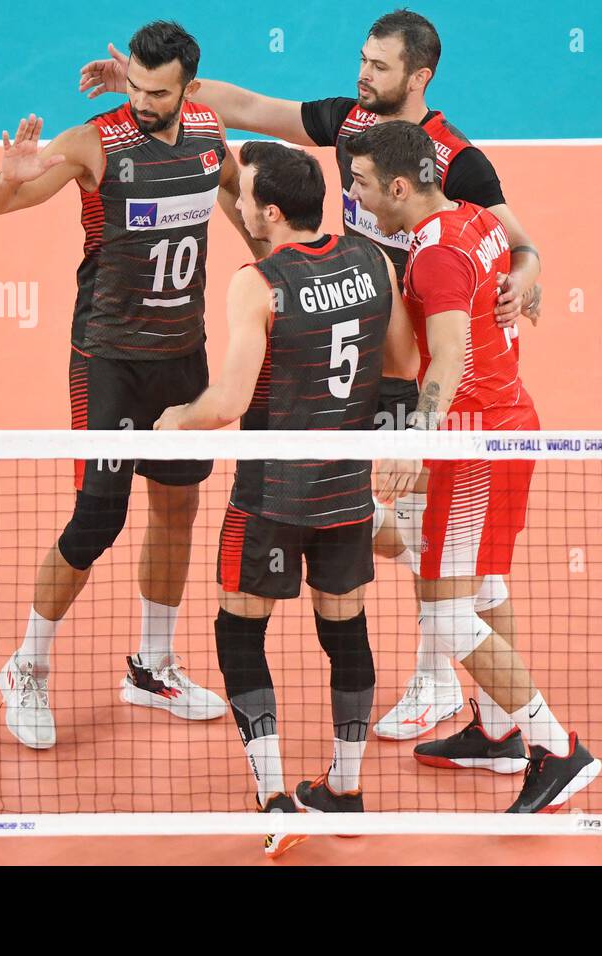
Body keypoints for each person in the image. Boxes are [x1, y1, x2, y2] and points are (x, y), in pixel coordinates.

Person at [80, 10, 542, 739]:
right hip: (367, 340)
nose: (364, 74)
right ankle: (476, 688)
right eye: (363, 59)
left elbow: (514, 242)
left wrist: (532, 270)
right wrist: (153, 92)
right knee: (421, 533)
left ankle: (441, 683)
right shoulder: (351, 121)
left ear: (419, 77)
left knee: (423, 527)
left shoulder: (457, 161)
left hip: (423, 366)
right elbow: (252, 109)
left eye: (380, 67)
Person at [0, 21, 262, 749]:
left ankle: (152, 667)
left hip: (182, 358)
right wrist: (7, 178)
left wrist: (265, 251)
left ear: (188, 89)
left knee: (177, 510)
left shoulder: (206, 132)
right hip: (107, 361)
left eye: (156, 91)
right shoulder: (95, 142)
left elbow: (232, 187)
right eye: (133, 83)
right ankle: (27, 667)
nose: (141, 100)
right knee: (97, 521)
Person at [154, 141, 418, 855]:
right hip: (346, 491)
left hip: (270, 494)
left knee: (240, 631)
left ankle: (274, 796)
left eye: (245, 197)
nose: (237, 204)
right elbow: (402, 369)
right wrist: (381, 445)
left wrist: (174, 420)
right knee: (345, 633)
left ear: (270, 212)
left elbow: (230, 400)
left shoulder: (257, 283)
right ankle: (347, 791)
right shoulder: (374, 263)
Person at [345, 121, 600, 812]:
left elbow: (449, 355)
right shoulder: (477, 220)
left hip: (475, 440)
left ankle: (554, 747)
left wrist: (414, 443)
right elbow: (516, 273)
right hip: (506, 423)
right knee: (482, 586)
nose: (353, 194)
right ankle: (495, 732)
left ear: (400, 187)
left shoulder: (434, 258)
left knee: (447, 613)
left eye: (362, 184)